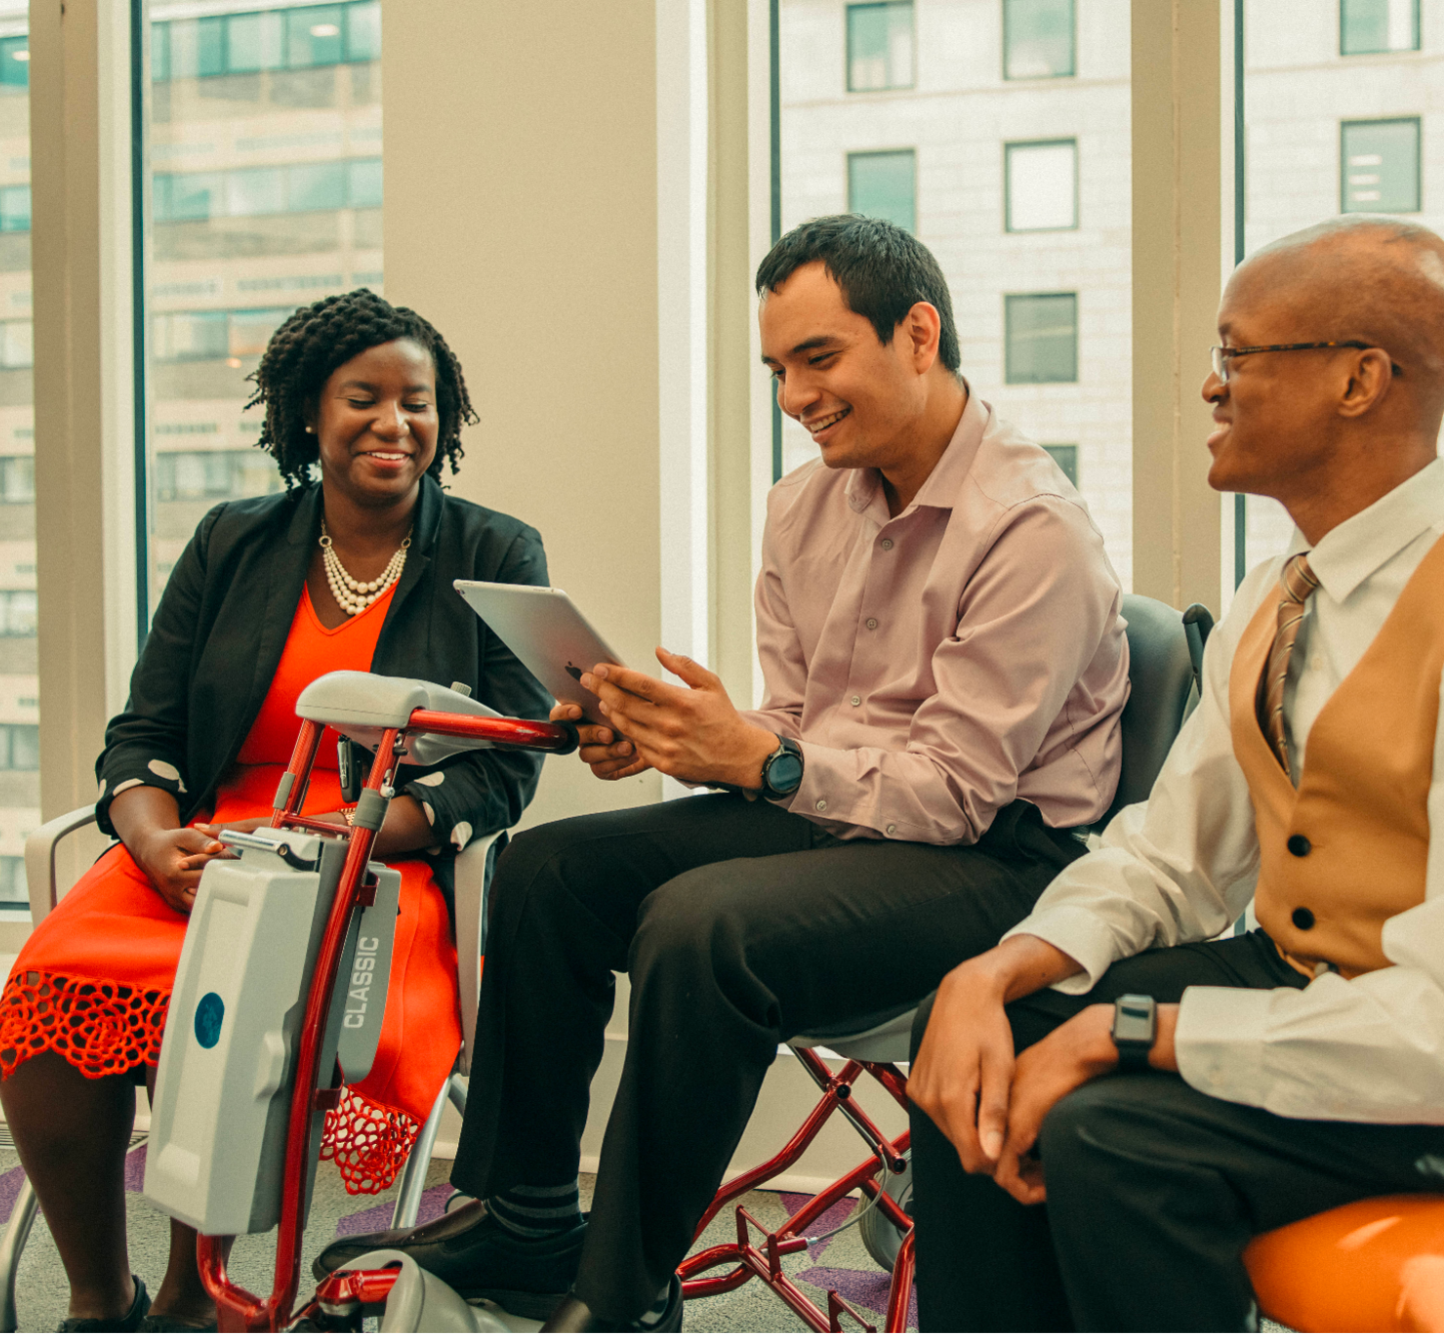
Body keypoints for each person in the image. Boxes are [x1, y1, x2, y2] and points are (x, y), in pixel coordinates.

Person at [320, 215, 1130, 1334]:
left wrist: (766, 757)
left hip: (996, 864)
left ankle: (623, 1286)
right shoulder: (806, 504)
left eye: (818, 358)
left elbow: (950, 793)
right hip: (852, 824)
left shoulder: (1032, 531)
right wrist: (675, 734)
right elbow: (803, 726)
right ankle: (524, 1212)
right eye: (778, 369)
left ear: (917, 333)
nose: (796, 395)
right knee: (548, 869)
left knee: (703, 925)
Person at [905, 216, 1444, 1334]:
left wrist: (1133, 1030)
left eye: (1236, 354)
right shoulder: (1277, 593)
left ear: (1358, 380)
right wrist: (991, 973)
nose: (1211, 388)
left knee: (1112, 1137)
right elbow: (1168, 853)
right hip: (1320, 988)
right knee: (978, 1061)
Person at [0, 289, 553, 1334]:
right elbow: (140, 731)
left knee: (253, 996)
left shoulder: (493, 551)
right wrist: (153, 843)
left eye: (415, 401)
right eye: (362, 398)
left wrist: (368, 827)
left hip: (381, 860)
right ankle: (103, 1299)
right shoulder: (232, 541)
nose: (394, 422)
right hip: (204, 848)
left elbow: (503, 768)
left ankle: (206, 1294)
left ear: (444, 416)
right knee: (54, 985)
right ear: (305, 415)